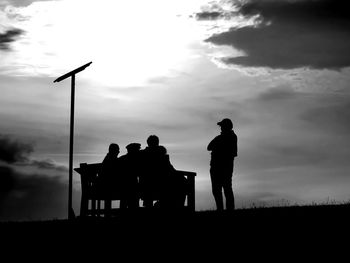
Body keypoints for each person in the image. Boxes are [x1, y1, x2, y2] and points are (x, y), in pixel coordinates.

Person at [140, 135, 185, 209]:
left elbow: (170, 169)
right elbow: (171, 169)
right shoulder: (161, 154)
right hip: (157, 184)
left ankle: (172, 206)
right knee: (182, 183)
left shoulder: (143, 154)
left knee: (181, 181)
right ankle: (178, 208)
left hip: (149, 184)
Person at [207, 118, 237, 211]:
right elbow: (209, 147)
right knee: (218, 190)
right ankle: (221, 209)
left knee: (225, 189)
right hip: (219, 167)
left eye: (222, 126)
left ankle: (227, 209)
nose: (221, 128)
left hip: (223, 167)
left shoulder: (229, 137)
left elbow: (210, 147)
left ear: (226, 126)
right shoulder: (222, 137)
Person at [118, 143, 142, 210]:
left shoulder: (121, 159)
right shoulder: (136, 161)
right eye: (138, 150)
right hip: (131, 186)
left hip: (122, 187)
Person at [99, 143, 120, 217]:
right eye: (118, 151)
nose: (118, 152)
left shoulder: (107, 159)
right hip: (109, 188)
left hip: (105, 188)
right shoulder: (113, 161)